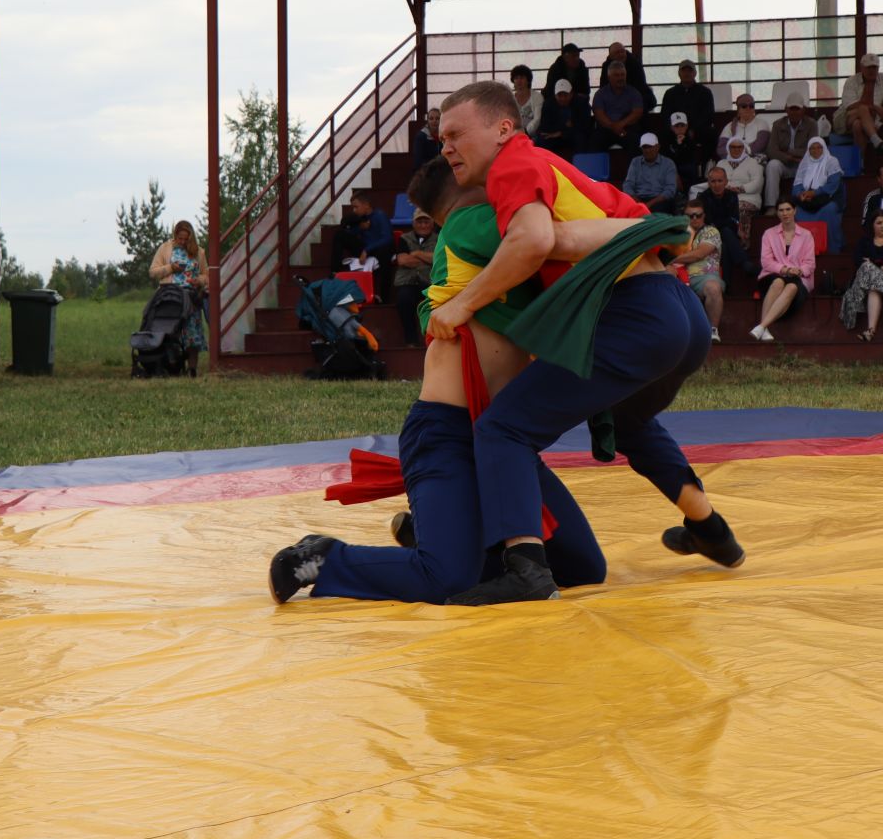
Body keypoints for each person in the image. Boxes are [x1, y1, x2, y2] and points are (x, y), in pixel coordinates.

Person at [423, 81, 739, 604]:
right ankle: (711, 530)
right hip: (678, 314)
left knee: (503, 429)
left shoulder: (513, 165)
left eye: (456, 134)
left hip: (637, 314)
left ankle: (525, 567)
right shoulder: (552, 169)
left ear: (504, 129)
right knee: (630, 420)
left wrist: (462, 304)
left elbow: (534, 241)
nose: (445, 146)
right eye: (441, 138)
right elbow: (625, 232)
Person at [270, 157, 617, 607]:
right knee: (444, 579)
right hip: (448, 434)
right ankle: (328, 557)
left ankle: (449, 540)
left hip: (502, 440)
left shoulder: (464, 251)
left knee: (583, 568)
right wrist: (643, 224)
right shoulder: (473, 223)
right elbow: (551, 237)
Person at [752, 198, 815, 343]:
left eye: (788, 209)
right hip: (773, 275)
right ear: (777, 213)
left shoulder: (806, 235)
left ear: (795, 211)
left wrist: (798, 271)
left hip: (799, 278)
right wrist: (785, 269)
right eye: (781, 210)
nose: (785, 213)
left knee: (792, 286)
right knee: (778, 282)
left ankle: (762, 326)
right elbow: (766, 262)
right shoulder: (769, 234)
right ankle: (764, 328)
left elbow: (810, 264)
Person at [150, 220, 209, 366]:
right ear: (175, 235)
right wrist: (171, 268)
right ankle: (172, 365)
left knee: (192, 334)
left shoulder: (199, 252)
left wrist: (199, 281)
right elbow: (153, 272)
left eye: (186, 239)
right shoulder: (165, 248)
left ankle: (193, 369)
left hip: (192, 298)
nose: (182, 242)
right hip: (170, 296)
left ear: (191, 237)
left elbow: (206, 275)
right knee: (171, 331)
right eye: (180, 238)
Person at [841, 210, 883, 342]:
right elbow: (858, 260)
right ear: (872, 226)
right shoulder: (864, 242)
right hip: (862, 284)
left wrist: (875, 262)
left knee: (874, 289)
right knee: (866, 266)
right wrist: (881, 266)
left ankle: (870, 331)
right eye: (879, 223)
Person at [766, 95, 826, 212]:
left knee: (813, 165)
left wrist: (789, 151)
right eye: (791, 109)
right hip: (786, 163)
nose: (794, 112)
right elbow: (771, 150)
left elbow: (813, 149)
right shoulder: (778, 124)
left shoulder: (811, 124)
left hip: (803, 164)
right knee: (772, 165)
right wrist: (790, 157)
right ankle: (772, 206)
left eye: (797, 109)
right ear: (786, 109)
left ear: (803, 109)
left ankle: (805, 205)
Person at [676, 199, 724, 342]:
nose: (695, 218)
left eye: (698, 215)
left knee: (713, 288)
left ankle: (713, 330)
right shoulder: (678, 233)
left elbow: (699, 254)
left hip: (705, 276)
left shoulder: (711, 231)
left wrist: (671, 259)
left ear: (704, 215)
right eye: (690, 216)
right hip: (679, 274)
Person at [789, 137, 846, 252]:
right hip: (808, 200)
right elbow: (797, 185)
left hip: (827, 199)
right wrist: (801, 194)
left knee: (829, 210)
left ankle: (832, 248)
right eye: (812, 148)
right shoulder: (805, 162)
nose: (816, 151)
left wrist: (814, 193)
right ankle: (802, 250)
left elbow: (833, 184)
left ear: (824, 148)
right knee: (795, 211)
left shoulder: (831, 161)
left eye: (819, 147)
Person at [390, 209, 437, 347]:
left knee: (435, 302)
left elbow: (438, 259)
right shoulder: (404, 238)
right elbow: (403, 260)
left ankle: (433, 339)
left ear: (432, 223)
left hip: (429, 281)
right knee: (404, 300)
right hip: (407, 280)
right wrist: (426, 258)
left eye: (426, 221)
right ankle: (411, 340)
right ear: (414, 223)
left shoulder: (439, 237)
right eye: (419, 221)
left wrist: (416, 253)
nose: (423, 225)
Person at [330, 190, 394, 274]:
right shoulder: (358, 218)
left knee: (384, 251)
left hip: (376, 249)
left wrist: (367, 250)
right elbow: (348, 231)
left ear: (366, 205)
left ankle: (384, 287)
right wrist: (360, 227)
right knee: (339, 235)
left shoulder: (379, 215)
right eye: (353, 207)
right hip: (363, 247)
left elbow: (387, 238)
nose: (354, 210)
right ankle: (335, 271)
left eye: (356, 207)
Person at [591, 64, 647, 152]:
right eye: (616, 75)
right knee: (594, 142)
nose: (620, 78)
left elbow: (637, 113)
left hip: (627, 129)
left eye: (622, 75)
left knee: (636, 142)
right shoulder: (600, 94)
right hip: (606, 129)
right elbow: (599, 115)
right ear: (609, 77)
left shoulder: (634, 92)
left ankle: (634, 166)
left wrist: (620, 125)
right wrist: (613, 126)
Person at [622, 132, 682, 213]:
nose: (647, 150)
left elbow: (670, 190)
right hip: (638, 199)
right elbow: (628, 185)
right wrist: (637, 201)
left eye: (650, 147)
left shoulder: (668, 163)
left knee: (661, 208)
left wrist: (649, 204)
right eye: (644, 147)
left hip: (660, 200)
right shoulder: (635, 162)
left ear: (658, 147)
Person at [660, 60, 716, 145]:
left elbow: (708, 115)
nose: (687, 73)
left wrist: (693, 129)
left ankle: (705, 159)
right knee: (662, 135)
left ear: (695, 73)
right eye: (684, 71)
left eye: (690, 71)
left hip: (697, 130)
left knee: (711, 133)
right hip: (675, 129)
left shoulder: (705, 92)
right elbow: (665, 114)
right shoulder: (670, 93)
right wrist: (676, 129)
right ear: (679, 73)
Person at [714, 137, 765, 231]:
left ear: (744, 148)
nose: (736, 149)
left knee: (739, 210)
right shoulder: (721, 163)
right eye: (733, 147)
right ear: (728, 148)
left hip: (748, 198)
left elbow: (757, 183)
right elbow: (715, 180)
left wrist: (739, 189)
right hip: (725, 197)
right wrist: (724, 188)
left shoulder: (752, 162)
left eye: (739, 147)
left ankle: (742, 241)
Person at [535, 79, 590, 159]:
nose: (563, 98)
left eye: (566, 95)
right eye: (559, 95)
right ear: (555, 95)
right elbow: (545, 126)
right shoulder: (548, 104)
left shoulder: (582, 103)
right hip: (554, 135)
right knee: (541, 141)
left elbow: (584, 126)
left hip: (571, 134)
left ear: (572, 93)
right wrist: (565, 125)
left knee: (581, 138)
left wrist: (562, 133)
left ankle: (580, 167)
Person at [598, 42, 654, 110]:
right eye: (617, 53)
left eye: (622, 52)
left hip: (633, 95)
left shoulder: (634, 63)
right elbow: (603, 86)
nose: (621, 54)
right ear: (611, 56)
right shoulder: (606, 66)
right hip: (614, 96)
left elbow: (640, 85)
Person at [663, 111, 708, 191]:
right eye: (677, 126)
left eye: (682, 125)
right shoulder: (666, 142)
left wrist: (683, 144)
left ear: (687, 126)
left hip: (690, 176)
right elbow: (669, 160)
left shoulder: (691, 142)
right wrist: (678, 145)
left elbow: (690, 158)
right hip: (672, 174)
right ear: (671, 127)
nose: (680, 128)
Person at [718, 92, 771, 159]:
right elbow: (721, 149)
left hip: (754, 160)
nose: (748, 108)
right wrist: (735, 156)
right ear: (738, 109)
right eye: (744, 106)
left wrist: (737, 152)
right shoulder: (730, 126)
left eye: (751, 106)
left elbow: (758, 147)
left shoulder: (762, 124)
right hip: (732, 160)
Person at [509, 65, 544, 137]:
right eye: (516, 78)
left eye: (522, 78)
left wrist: (525, 132)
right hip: (514, 133)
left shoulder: (537, 97)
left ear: (528, 80)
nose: (519, 81)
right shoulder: (510, 98)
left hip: (533, 134)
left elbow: (537, 119)